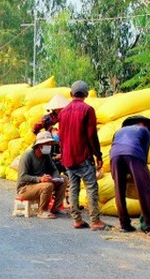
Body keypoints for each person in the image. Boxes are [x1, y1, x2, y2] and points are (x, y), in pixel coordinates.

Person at [58, 80, 107, 230]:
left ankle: (77, 220)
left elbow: (61, 136)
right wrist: (98, 155)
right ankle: (95, 221)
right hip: (83, 156)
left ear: (71, 94)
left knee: (73, 188)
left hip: (68, 157)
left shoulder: (62, 112)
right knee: (91, 187)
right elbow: (92, 135)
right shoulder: (88, 110)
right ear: (86, 94)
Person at [109, 115, 150, 234]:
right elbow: (144, 154)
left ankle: (124, 225)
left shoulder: (119, 131)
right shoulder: (145, 131)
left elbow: (115, 146)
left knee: (119, 190)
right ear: (143, 124)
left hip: (114, 156)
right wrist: (144, 173)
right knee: (144, 190)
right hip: (133, 153)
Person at [17, 131, 68, 219]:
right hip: (25, 189)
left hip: (40, 184)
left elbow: (54, 169)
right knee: (47, 185)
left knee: (64, 179)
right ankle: (42, 211)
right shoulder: (27, 156)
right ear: (39, 145)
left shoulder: (46, 155)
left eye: (50, 144)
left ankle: (56, 208)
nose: (50, 146)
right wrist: (40, 179)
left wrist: (55, 178)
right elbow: (23, 177)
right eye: (47, 144)